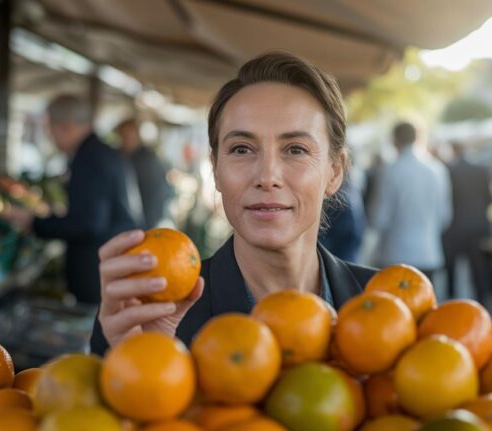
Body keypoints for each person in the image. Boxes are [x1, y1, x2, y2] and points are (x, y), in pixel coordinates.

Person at [90, 52, 377, 354]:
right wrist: (137, 360)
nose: (267, 176)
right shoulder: (151, 315)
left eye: (295, 149)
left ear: (334, 172)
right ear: (215, 169)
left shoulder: (394, 308)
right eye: (242, 149)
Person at [3, 94, 135, 304]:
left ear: (65, 126)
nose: (50, 136)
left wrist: (34, 222)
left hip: (100, 274)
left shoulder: (89, 158)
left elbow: (89, 223)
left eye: (50, 129)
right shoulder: (103, 152)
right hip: (114, 267)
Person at [368, 122, 452, 281]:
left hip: (394, 255)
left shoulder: (389, 172)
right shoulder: (437, 170)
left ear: (394, 140)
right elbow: (445, 217)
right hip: (428, 254)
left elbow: (378, 220)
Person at [442, 142, 492, 302]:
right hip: (477, 225)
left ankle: (451, 297)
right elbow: (489, 198)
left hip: (454, 226)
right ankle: (482, 299)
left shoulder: (449, 171)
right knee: (478, 265)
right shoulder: (482, 170)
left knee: (451, 265)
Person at [115, 118, 173, 229]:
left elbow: (155, 195)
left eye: (127, 136)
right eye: (122, 136)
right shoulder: (127, 157)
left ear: (136, 135)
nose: (123, 141)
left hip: (145, 221)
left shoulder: (147, 159)